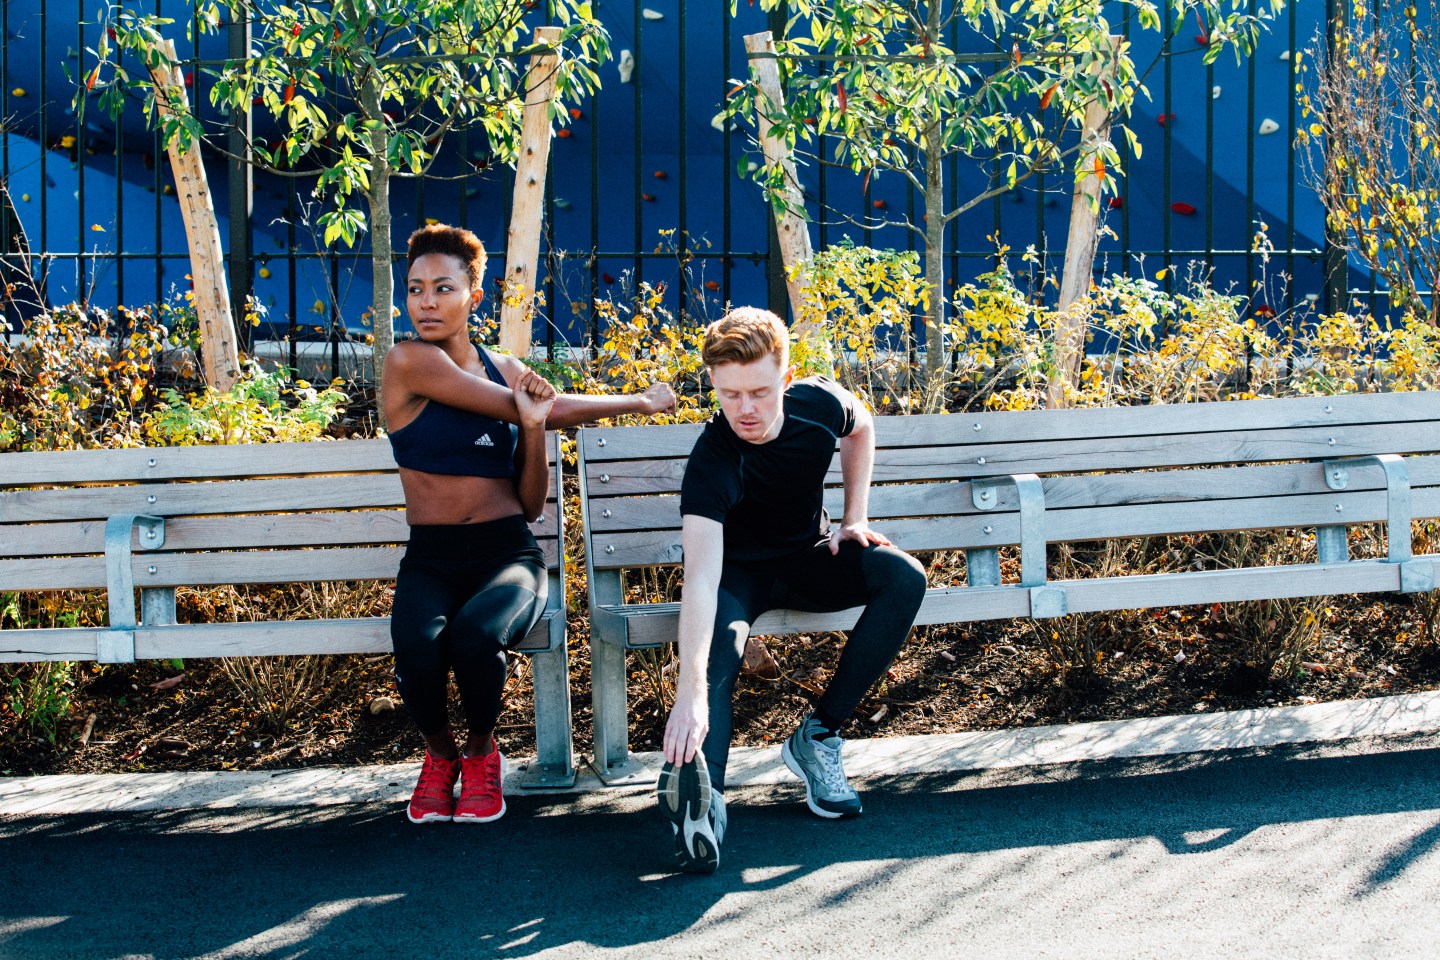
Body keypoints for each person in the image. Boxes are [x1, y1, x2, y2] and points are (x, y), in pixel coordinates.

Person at [383, 223, 675, 824]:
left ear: (474, 297)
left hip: (506, 556)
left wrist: (536, 428)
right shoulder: (409, 361)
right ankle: (440, 757)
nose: (426, 302)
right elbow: (540, 405)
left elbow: (532, 504)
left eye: (443, 288)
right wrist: (638, 402)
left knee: (475, 635)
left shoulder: (506, 367)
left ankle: (480, 753)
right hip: (432, 558)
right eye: (415, 289)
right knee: (417, 646)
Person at [656, 307, 927, 872]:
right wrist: (688, 693)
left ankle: (819, 736)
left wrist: (855, 517)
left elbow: (862, 426)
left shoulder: (817, 405)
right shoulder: (712, 460)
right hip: (736, 576)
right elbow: (701, 578)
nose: (745, 410)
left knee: (903, 577)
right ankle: (706, 803)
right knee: (718, 655)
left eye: (759, 392)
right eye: (730, 394)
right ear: (713, 383)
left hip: (807, 560)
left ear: (787, 377)